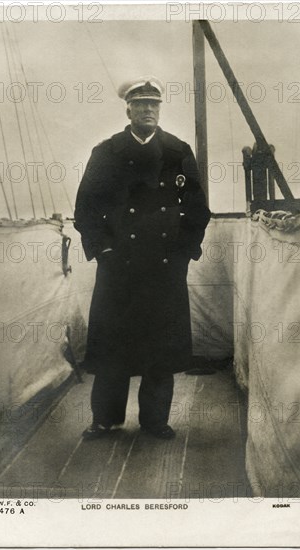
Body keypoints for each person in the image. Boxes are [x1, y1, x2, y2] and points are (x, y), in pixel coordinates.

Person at [74, 76, 211, 440]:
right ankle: (105, 419)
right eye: (141, 103)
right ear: (128, 109)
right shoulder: (106, 153)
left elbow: (198, 210)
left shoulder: (178, 152)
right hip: (118, 266)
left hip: (164, 267)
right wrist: (102, 249)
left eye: (154, 103)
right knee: (112, 347)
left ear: (160, 108)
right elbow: (85, 209)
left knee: (160, 347)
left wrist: (184, 253)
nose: (148, 109)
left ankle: (155, 420)